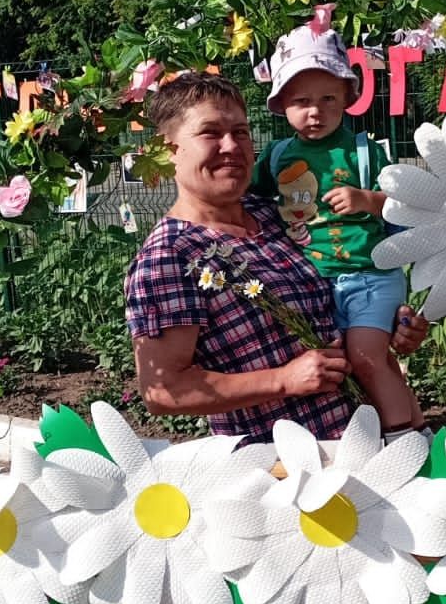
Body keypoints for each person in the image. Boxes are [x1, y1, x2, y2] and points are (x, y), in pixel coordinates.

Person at [125, 72, 428, 443]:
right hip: (284, 468)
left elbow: (343, 289)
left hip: (370, 443)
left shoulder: (274, 214)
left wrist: (388, 323)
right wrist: (283, 380)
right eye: (210, 133)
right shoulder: (170, 256)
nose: (232, 146)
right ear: (166, 149)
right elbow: (164, 391)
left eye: (240, 132)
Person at [251, 25, 425, 437]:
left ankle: (404, 441)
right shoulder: (277, 156)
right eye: (302, 101)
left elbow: (407, 204)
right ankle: (415, 429)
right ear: (282, 106)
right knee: (347, 366)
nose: (316, 111)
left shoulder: (364, 149)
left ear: (348, 97)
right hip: (310, 283)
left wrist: (368, 200)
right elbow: (249, 204)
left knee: (367, 357)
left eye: (328, 99)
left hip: (369, 276)